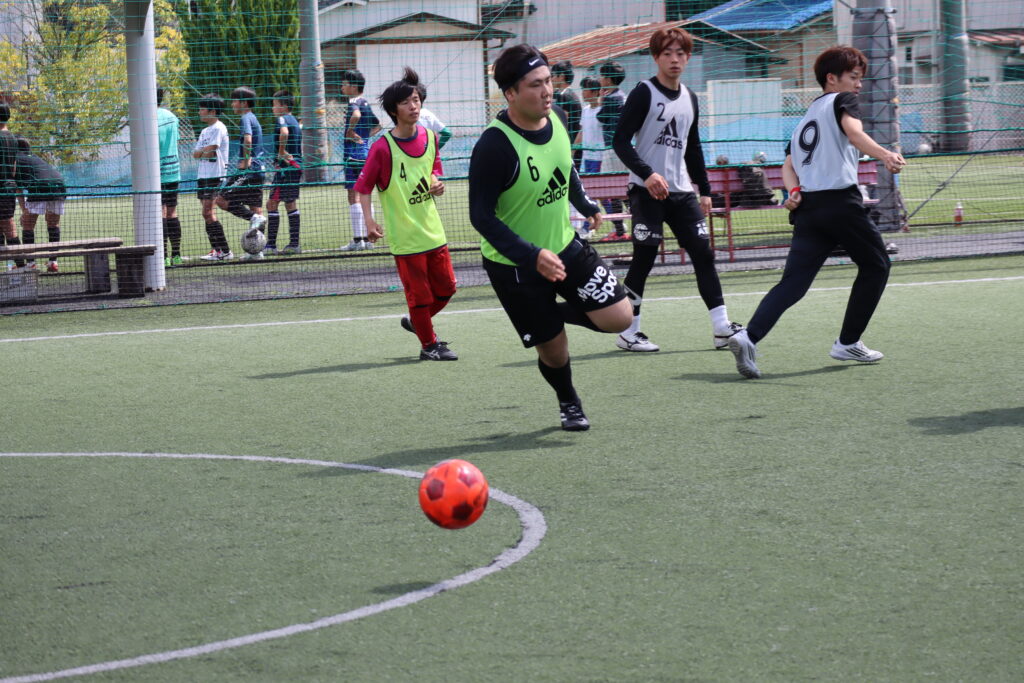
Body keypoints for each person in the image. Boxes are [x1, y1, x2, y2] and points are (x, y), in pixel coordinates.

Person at [469, 44, 632, 431]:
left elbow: (565, 166)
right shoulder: (493, 147)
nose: (546, 91)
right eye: (534, 85)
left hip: (565, 246)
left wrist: (585, 202)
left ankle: (544, 317)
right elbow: (481, 217)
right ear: (510, 93)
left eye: (547, 81)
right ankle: (568, 400)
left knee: (620, 317)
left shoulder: (557, 115)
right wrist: (530, 254)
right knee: (555, 353)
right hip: (515, 267)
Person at [727, 45, 906, 379]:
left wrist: (793, 191)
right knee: (877, 265)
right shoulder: (842, 101)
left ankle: (748, 336)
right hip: (840, 204)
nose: (859, 85)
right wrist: (885, 154)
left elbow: (788, 165)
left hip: (809, 209)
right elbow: (854, 133)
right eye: (854, 77)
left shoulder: (805, 119)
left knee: (794, 283)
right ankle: (848, 342)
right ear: (832, 78)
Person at [612, 27, 742, 353]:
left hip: (682, 192)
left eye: (680, 53)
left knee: (703, 254)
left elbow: (692, 146)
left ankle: (721, 328)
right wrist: (648, 175)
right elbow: (620, 141)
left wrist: (705, 189)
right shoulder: (643, 92)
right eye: (667, 53)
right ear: (656, 57)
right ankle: (629, 332)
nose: (674, 59)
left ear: (688, 57)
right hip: (646, 190)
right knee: (644, 258)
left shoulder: (690, 98)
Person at [355, 67, 458, 361]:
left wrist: (437, 183)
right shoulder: (382, 148)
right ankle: (429, 345)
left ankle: (418, 322)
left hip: (433, 231)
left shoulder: (430, 137)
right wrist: (369, 221)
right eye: (405, 102)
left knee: (447, 289)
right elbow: (363, 187)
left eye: (416, 100)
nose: (414, 106)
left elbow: (433, 170)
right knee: (420, 297)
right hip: (406, 237)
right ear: (393, 110)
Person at [216, 86, 268, 261]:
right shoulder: (253, 117)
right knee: (256, 208)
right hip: (259, 171)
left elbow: (247, 139)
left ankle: (254, 218)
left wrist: (245, 161)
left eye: (234, 101)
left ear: (244, 103)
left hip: (248, 171)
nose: (232, 104)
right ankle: (257, 252)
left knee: (221, 200)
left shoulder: (245, 117)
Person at [339, 70, 382, 252]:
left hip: (352, 156)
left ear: (353, 86)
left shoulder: (354, 103)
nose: (341, 87)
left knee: (353, 196)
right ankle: (368, 238)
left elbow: (355, 115)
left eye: (344, 84)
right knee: (365, 194)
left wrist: (350, 131)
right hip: (364, 155)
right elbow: (378, 125)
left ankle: (358, 240)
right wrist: (364, 139)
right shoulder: (366, 103)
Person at [15, 137, 66, 272]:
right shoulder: (34, 157)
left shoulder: (14, 159)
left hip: (40, 186)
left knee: (27, 225)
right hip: (59, 184)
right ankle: (53, 262)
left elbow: (18, 190)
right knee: (53, 224)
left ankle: (31, 263)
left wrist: (24, 211)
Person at [193, 93, 233, 261]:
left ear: (213, 111)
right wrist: (204, 151)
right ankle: (216, 250)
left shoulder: (218, 128)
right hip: (203, 176)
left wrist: (203, 151)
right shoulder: (204, 131)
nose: (199, 112)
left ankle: (224, 251)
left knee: (208, 212)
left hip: (214, 176)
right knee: (207, 214)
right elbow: (195, 154)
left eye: (202, 109)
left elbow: (210, 151)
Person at [263, 89, 303, 256]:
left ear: (284, 106)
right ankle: (294, 244)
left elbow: (284, 132)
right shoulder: (294, 120)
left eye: (275, 104)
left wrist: (281, 152)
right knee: (290, 203)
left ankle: (271, 245)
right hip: (295, 166)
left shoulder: (282, 119)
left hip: (286, 168)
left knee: (271, 204)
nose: (273, 108)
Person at [596, 60, 628, 241]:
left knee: (610, 190)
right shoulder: (623, 96)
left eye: (602, 76)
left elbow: (601, 117)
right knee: (625, 188)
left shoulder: (610, 98)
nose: (600, 79)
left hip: (611, 149)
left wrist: (601, 99)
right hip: (625, 147)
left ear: (608, 79)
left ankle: (620, 231)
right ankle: (636, 222)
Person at [156, 86, 184, 266]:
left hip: (157, 173)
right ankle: (176, 255)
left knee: (161, 214)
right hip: (173, 170)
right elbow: (176, 141)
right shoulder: (172, 117)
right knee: (172, 212)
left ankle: (164, 256)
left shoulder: (150, 118)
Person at [0, 102, 23, 270]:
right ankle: (21, 267)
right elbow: (13, 168)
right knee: (8, 225)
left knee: (8, 226)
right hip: (8, 186)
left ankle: (20, 267)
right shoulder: (13, 139)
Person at [550, 60, 582, 169]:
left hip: (567, 148)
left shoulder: (563, 96)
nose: (551, 79)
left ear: (562, 76)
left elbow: (562, 124)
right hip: (574, 147)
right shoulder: (572, 95)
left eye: (553, 75)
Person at [413, 79, 453, 150]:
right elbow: (447, 133)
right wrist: (434, 150)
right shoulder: (429, 114)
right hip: (427, 153)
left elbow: (447, 133)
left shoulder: (407, 115)